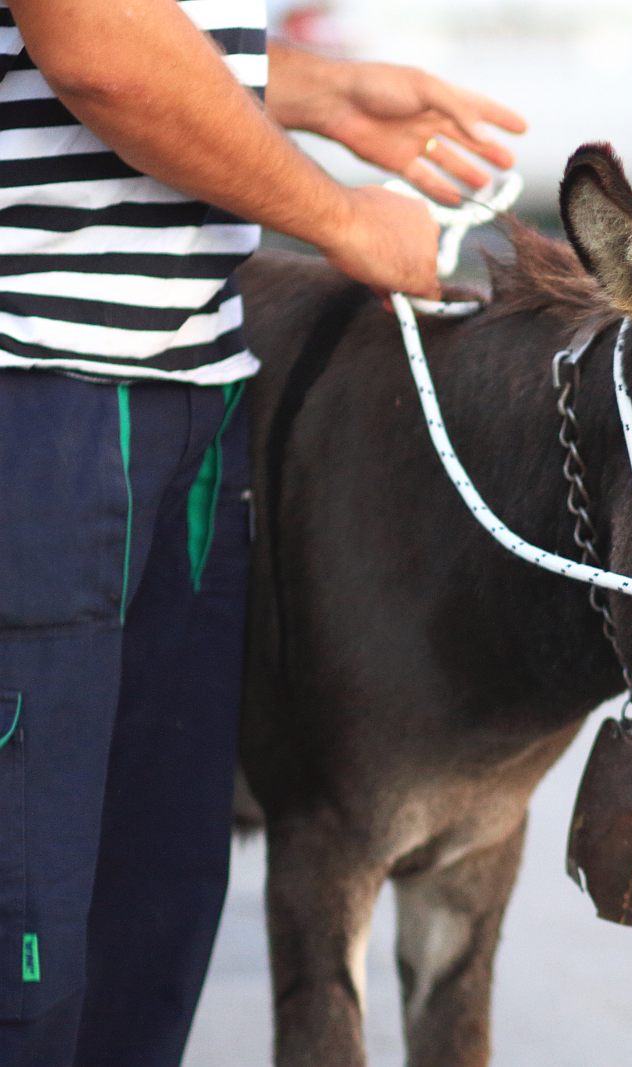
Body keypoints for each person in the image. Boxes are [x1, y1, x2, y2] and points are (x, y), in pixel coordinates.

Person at [0, 2, 524, 1063]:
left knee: (148, 915)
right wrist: (337, 215)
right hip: (37, 391)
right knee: (29, 934)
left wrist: (321, 91)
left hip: (190, 393)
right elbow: (97, 48)